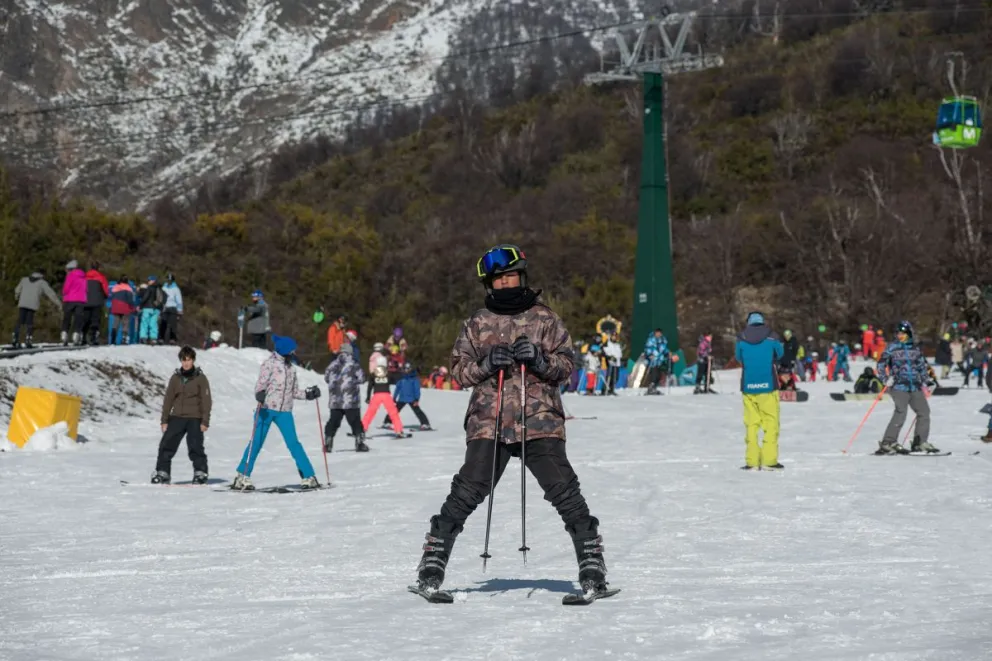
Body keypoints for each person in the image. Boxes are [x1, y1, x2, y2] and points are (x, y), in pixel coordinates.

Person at [413, 243, 610, 598]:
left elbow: (566, 368)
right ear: (489, 285)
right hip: (489, 421)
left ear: (522, 277)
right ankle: (433, 559)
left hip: (539, 420)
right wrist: (486, 365)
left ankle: (591, 561)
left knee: (564, 490)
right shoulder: (476, 322)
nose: (507, 284)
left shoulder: (545, 319)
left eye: (512, 277)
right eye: (500, 280)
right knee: (467, 490)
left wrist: (538, 359)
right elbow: (459, 372)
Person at [232, 335, 322, 489]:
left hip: (284, 411)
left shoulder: (291, 368)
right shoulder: (269, 365)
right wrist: (259, 393)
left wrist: (308, 394)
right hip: (266, 409)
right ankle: (242, 476)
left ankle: (309, 476)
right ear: (285, 350)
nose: (294, 353)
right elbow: (260, 385)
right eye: (292, 350)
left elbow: (293, 392)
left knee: (294, 444)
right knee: (256, 443)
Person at [875, 321, 940, 455]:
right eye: (898, 333)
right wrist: (885, 379)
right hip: (898, 386)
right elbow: (881, 365)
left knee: (924, 412)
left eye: (903, 333)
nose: (900, 336)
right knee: (901, 412)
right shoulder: (892, 348)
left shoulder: (915, 349)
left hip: (915, 386)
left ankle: (920, 442)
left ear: (909, 334)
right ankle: (888, 442)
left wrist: (928, 381)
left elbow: (922, 367)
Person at [152, 346, 212, 484]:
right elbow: (168, 399)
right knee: (166, 444)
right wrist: (164, 420)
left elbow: (206, 401)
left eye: (189, 360)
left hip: (195, 418)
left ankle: (200, 472)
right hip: (177, 417)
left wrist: (205, 421)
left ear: (193, 360)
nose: (186, 363)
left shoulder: (201, 378)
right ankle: (163, 472)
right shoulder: (175, 378)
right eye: (183, 360)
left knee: (195, 446)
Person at [735, 311, 784, 470]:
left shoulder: (741, 337)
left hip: (748, 387)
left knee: (751, 424)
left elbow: (738, 357)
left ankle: (752, 461)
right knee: (770, 422)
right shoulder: (772, 336)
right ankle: (769, 461)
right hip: (768, 386)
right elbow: (780, 353)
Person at [324, 336, 368, 452]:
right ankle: (359, 442)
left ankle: (328, 440)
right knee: (354, 421)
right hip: (350, 399)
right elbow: (362, 378)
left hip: (335, 400)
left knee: (333, 420)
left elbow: (326, 377)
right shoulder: (354, 364)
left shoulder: (332, 364)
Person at [13, 268, 61, 348]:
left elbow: (17, 289)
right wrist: (58, 303)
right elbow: (50, 294)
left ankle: (15, 336)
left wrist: (17, 297)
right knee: (29, 322)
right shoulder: (42, 283)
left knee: (20, 320)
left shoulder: (24, 279)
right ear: (42, 275)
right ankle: (28, 338)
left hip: (23, 303)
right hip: (32, 305)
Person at [383, 362, 432, 430]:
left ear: (411, 369)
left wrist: (417, 399)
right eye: (405, 368)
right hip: (402, 398)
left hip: (411, 399)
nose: (406, 370)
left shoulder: (414, 379)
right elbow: (398, 388)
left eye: (408, 369)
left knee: (418, 411)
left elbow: (417, 390)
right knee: (394, 411)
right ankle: (387, 422)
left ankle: (425, 424)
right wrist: (394, 397)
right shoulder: (402, 378)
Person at [363, 365, 406, 439]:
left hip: (377, 395)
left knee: (370, 413)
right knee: (393, 413)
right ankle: (399, 430)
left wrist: (368, 397)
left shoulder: (373, 374)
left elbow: (370, 386)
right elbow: (396, 379)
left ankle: (362, 430)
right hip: (386, 395)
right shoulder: (388, 373)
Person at [61, 261, 87, 346]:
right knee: (78, 318)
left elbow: (66, 288)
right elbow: (86, 289)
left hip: (69, 300)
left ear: (69, 269)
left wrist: (64, 293)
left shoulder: (70, 276)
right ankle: (76, 334)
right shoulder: (83, 276)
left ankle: (64, 334)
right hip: (80, 300)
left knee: (67, 318)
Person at [82, 262, 109, 345]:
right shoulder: (101, 277)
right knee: (95, 320)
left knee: (86, 319)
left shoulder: (84, 277)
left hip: (86, 301)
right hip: (97, 301)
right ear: (98, 268)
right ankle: (93, 337)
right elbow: (106, 291)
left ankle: (83, 337)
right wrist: (105, 297)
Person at [109, 276, 136, 345]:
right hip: (125, 307)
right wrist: (133, 309)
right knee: (125, 324)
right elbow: (130, 300)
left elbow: (111, 297)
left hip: (116, 307)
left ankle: (112, 340)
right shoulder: (128, 288)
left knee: (115, 324)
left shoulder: (115, 288)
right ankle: (124, 339)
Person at [137, 276, 165, 344]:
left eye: (149, 280)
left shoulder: (150, 288)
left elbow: (145, 297)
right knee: (153, 324)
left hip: (148, 308)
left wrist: (140, 305)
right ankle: (153, 338)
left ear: (153, 281)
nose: (148, 281)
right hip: (156, 309)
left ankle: (143, 338)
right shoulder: (160, 288)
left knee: (144, 323)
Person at [642, 329, 669, 395]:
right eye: (657, 333)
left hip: (659, 361)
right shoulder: (651, 340)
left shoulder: (663, 341)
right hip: (652, 361)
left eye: (659, 333)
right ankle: (651, 388)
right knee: (654, 375)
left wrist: (668, 353)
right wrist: (649, 355)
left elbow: (664, 349)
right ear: (655, 333)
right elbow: (648, 348)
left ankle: (654, 388)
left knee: (659, 375)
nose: (658, 334)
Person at [161, 274, 183, 344]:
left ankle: (172, 339)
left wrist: (180, 310)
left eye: (170, 280)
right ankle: (161, 338)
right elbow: (161, 297)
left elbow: (179, 300)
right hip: (165, 307)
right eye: (167, 280)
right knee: (163, 323)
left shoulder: (176, 289)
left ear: (172, 281)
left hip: (173, 307)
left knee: (173, 324)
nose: (168, 282)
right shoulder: (163, 288)